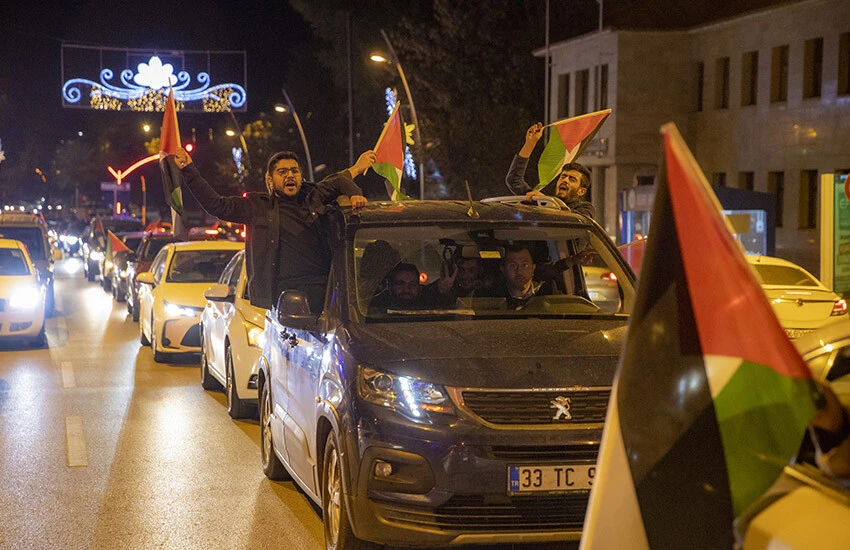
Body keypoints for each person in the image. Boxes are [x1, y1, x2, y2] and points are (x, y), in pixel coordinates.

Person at [172, 147, 376, 312]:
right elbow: (217, 205)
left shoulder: (313, 195)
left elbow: (338, 181)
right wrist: (189, 171)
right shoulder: (256, 206)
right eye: (282, 172)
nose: (290, 176)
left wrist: (355, 193)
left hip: (327, 290)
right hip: (286, 297)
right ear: (270, 180)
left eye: (294, 171)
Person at [505, 122, 595, 220]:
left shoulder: (585, 208)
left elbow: (574, 221)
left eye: (572, 179)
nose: (565, 180)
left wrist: (548, 203)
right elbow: (514, 180)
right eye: (563, 176)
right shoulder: (540, 200)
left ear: (581, 191)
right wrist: (530, 143)